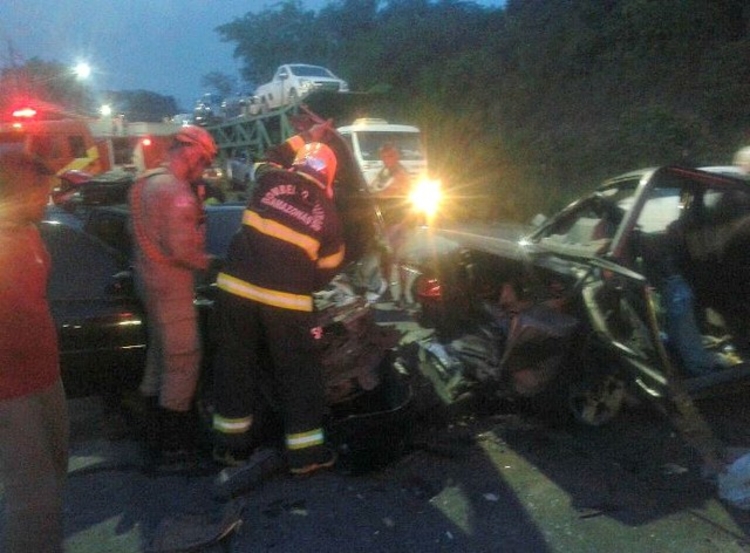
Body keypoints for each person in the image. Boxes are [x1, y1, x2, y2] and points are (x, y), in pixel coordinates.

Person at [211, 120, 345, 475]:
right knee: (299, 376)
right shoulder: (330, 215)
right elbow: (328, 268)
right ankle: (305, 457)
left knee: (234, 367)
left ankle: (231, 449)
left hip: (236, 293)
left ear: (297, 163)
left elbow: (267, 156)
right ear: (330, 177)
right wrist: (299, 278)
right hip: (287, 305)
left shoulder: (268, 178)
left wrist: (307, 136)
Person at [128, 125, 217, 465]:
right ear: (192, 152)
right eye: (204, 160)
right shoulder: (176, 191)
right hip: (172, 288)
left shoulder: (144, 184)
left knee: (159, 360)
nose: (204, 168)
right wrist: (209, 263)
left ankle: (149, 431)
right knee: (183, 361)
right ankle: (174, 444)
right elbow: (184, 250)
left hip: (148, 284)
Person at [0, 151, 69, 553]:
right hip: (10, 392)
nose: (47, 199)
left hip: (47, 378)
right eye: (39, 191)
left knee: (55, 480)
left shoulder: (30, 232)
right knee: (32, 502)